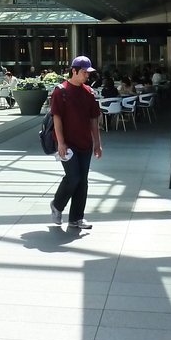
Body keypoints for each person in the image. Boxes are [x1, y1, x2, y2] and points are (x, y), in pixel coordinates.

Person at [49, 55, 102, 231]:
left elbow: (94, 119)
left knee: (83, 181)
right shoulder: (61, 91)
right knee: (73, 177)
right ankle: (57, 205)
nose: (87, 75)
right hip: (68, 144)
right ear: (74, 71)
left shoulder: (89, 92)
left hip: (85, 143)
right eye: (85, 72)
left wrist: (97, 143)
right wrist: (61, 143)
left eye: (89, 73)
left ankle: (76, 218)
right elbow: (57, 118)